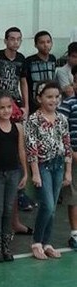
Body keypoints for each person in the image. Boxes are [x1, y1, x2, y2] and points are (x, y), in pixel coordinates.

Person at [25, 81, 71, 260]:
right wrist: (35, 172)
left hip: (58, 164)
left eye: (56, 96)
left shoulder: (61, 119)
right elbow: (31, 147)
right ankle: (37, 241)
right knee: (48, 205)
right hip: (43, 165)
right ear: (39, 98)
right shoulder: (33, 120)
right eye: (49, 96)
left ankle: (47, 242)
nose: (53, 100)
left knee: (52, 209)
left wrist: (68, 170)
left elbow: (66, 144)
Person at [0, 90, 27, 262]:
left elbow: (21, 151)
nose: (6, 111)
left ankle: (6, 245)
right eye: (2, 108)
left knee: (9, 209)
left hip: (13, 172)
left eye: (9, 107)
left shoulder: (18, 127)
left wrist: (25, 172)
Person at [0, 27, 27, 116]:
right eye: (12, 39)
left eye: (18, 39)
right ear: (5, 41)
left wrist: (26, 106)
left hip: (15, 99)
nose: (16, 42)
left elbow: (23, 82)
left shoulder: (22, 58)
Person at [58, 73, 77, 251]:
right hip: (73, 159)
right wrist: (71, 152)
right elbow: (62, 131)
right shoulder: (68, 104)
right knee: (74, 198)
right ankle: (75, 234)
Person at [22, 30, 57, 114]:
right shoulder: (29, 61)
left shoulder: (53, 59)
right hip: (34, 101)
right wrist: (26, 104)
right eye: (42, 42)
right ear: (36, 45)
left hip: (50, 100)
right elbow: (24, 82)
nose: (46, 45)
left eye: (48, 42)